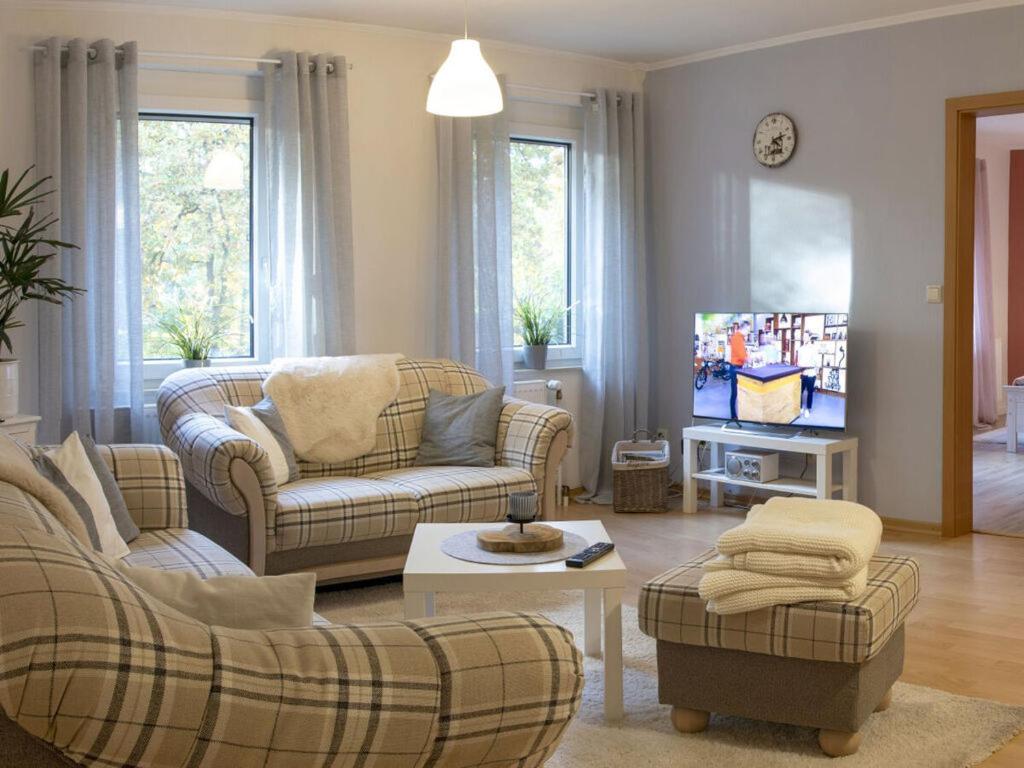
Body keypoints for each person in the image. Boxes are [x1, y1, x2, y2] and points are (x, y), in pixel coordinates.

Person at [728, 321, 749, 421]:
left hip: (737, 367)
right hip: (735, 368)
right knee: (735, 392)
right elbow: (742, 355)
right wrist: (749, 358)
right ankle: (733, 415)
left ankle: (737, 413)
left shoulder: (739, 337)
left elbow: (742, 353)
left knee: (737, 392)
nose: (748, 332)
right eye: (748, 330)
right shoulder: (737, 337)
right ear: (743, 328)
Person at [797, 333, 820, 418]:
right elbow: (799, 362)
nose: (804, 338)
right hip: (803, 373)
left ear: (809, 338)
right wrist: (800, 370)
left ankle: (808, 409)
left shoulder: (813, 349)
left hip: (811, 373)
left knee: (810, 392)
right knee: (800, 391)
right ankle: (800, 408)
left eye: (806, 337)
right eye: (803, 337)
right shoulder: (800, 349)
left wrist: (816, 372)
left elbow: (817, 362)